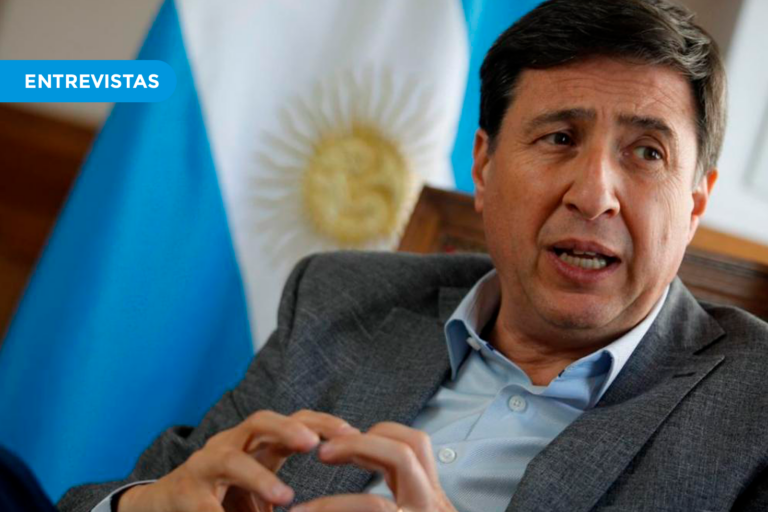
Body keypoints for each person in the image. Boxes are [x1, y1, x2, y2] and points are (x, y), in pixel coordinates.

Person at [59, 0, 768, 511]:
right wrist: (147, 505)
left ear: (695, 203)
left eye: (647, 153)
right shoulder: (339, 300)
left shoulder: (753, 408)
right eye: (558, 138)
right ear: (483, 168)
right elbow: (123, 491)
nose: (593, 195)